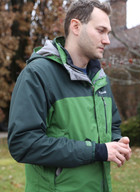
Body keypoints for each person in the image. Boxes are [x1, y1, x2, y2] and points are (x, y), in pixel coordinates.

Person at [7, 0, 131, 191]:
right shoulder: (38, 74)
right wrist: (97, 151)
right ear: (76, 26)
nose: (107, 40)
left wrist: (116, 144)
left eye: (108, 33)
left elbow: (113, 125)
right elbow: (23, 144)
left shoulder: (100, 78)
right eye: (101, 30)